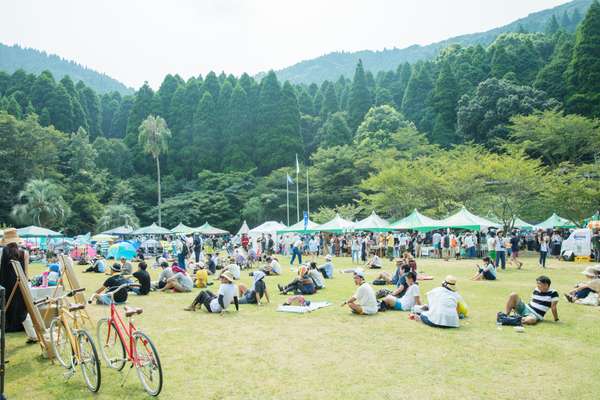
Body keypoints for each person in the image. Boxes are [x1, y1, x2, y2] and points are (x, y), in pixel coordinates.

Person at [0, 228, 37, 342]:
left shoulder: (1, 252)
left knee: (2, 309)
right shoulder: (24, 253)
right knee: (24, 310)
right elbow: (25, 273)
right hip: (20, 286)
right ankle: (32, 335)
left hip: (4, 286)